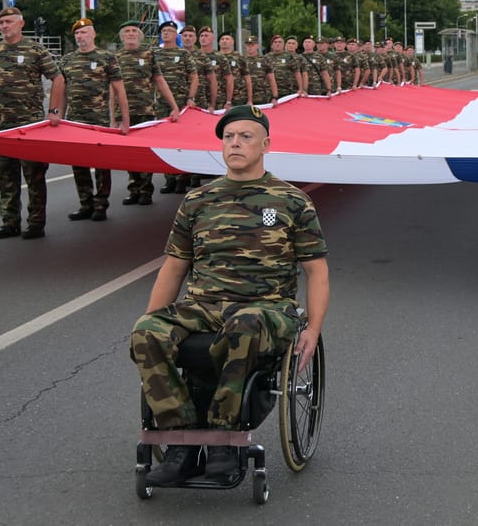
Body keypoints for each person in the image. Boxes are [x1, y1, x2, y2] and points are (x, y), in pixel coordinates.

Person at [130, 105, 330, 485]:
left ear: (265, 145)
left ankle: (225, 438)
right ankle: (180, 440)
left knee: (244, 325)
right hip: (203, 307)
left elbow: (316, 271)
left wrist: (312, 330)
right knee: (145, 332)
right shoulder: (198, 201)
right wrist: (153, 322)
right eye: (228, 137)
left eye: (245, 136)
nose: (235, 143)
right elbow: (174, 267)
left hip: (267, 308)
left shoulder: (291, 201)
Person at [0, 7, 65, 240]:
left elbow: (57, 78)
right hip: (3, 125)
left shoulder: (34, 49)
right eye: (1, 23)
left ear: (20, 24)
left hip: (30, 125)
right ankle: (10, 222)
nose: (5, 26)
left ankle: (36, 222)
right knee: (5, 175)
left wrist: (54, 111)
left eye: (9, 22)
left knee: (34, 175)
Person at [59, 18, 129, 222]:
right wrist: (59, 117)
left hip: (98, 121)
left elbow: (119, 90)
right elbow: (62, 92)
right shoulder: (67, 60)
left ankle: (100, 203)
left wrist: (124, 120)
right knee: (78, 163)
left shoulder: (106, 58)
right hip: (74, 121)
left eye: (84, 32)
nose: (80, 37)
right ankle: (85, 202)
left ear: (93, 34)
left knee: (100, 163)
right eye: (77, 34)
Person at [116, 20, 181, 205]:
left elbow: (160, 81)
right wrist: (113, 116)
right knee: (128, 154)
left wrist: (174, 106)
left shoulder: (149, 54)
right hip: (123, 113)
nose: (130, 34)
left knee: (143, 152)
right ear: (122, 36)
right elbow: (111, 89)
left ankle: (146, 190)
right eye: (126, 31)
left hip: (145, 110)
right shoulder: (116, 57)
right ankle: (134, 189)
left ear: (140, 35)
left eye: (134, 31)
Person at [156, 21, 199, 195]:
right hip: (160, 104)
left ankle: (183, 178)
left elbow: (194, 77)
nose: (167, 33)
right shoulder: (155, 54)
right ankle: (169, 179)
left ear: (177, 35)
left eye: (170, 31)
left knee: (181, 142)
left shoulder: (183, 55)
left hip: (181, 103)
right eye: (164, 31)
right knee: (164, 142)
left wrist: (190, 98)